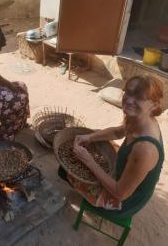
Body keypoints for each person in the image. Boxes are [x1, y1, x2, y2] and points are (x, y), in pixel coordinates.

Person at [59, 75, 164, 218]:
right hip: (126, 176)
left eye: (139, 97)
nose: (128, 100)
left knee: (66, 170)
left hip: (125, 202)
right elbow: (117, 131)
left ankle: (98, 205)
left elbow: (120, 194)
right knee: (95, 142)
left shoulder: (145, 149)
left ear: (154, 105)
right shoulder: (141, 118)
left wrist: (89, 160)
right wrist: (89, 137)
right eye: (128, 92)